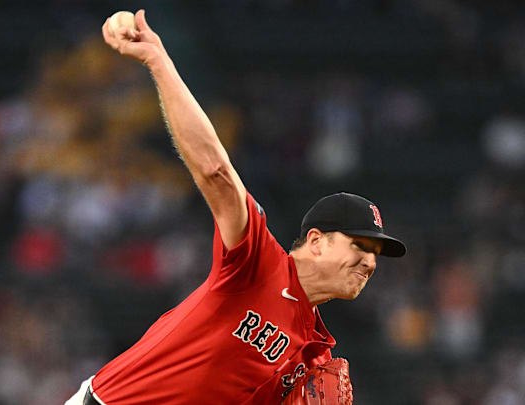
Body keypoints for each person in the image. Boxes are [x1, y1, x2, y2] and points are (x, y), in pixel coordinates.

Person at [65, 9, 406, 405]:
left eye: (375, 253)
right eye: (360, 245)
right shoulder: (259, 263)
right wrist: (158, 61)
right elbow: (215, 172)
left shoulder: (314, 357)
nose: (370, 262)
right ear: (316, 241)